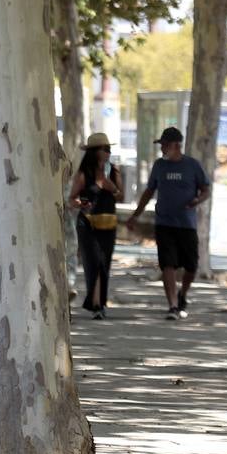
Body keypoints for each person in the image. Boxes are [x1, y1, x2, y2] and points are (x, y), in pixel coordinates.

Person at [126, 126, 210, 320]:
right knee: (168, 264)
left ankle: (183, 295)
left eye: (165, 145)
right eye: (161, 145)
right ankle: (172, 305)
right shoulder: (159, 166)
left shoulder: (192, 166)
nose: (162, 148)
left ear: (176, 145)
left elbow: (206, 189)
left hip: (187, 224)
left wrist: (197, 200)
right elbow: (149, 192)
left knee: (191, 266)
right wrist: (135, 215)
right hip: (164, 223)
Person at [69, 132, 121, 320]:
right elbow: (71, 199)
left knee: (104, 264)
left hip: (108, 224)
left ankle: (98, 303)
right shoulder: (84, 174)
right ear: (95, 152)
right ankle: (97, 304)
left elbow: (121, 196)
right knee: (94, 262)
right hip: (88, 223)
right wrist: (81, 204)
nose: (108, 152)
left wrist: (111, 187)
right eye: (105, 149)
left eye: (109, 149)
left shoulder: (113, 171)